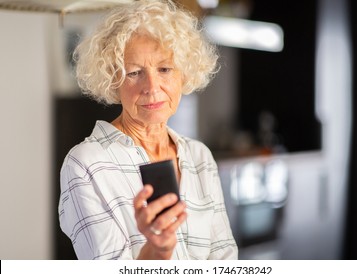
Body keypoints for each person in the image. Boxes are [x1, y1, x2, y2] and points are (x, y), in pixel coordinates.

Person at [58, 0, 238, 260]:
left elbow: (225, 260)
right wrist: (157, 250)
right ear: (113, 79)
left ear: (183, 75)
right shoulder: (85, 164)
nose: (152, 87)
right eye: (134, 73)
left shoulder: (200, 157)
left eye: (165, 69)